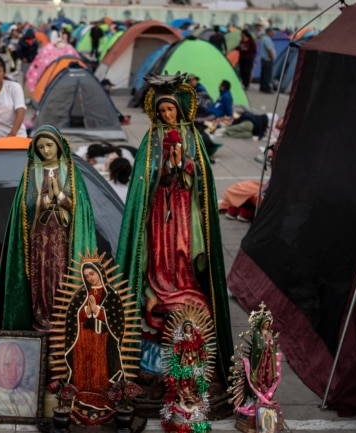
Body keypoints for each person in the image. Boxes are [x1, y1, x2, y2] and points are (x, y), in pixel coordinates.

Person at [115, 72, 233, 411]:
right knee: (160, 256)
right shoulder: (151, 140)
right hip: (159, 213)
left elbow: (202, 180)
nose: (168, 115)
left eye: (171, 110)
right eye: (163, 110)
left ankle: (183, 288)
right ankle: (160, 289)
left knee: (183, 255)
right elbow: (144, 183)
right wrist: (163, 170)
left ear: (180, 110)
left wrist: (186, 166)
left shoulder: (192, 136)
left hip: (185, 212)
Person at [0, 125, 97, 332]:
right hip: (39, 237)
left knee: (61, 276)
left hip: (64, 238)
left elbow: (80, 207)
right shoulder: (31, 173)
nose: (46, 151)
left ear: (58, 145)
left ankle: (63, 319)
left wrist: (59, 196)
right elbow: (25, 206)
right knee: (40, 277)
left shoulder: (71, 172)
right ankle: (41, 318)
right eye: (41, 147)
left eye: (50, 145)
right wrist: (44, 200)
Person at [64, 260, 125, 424]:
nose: (90, 278)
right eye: (86, 276)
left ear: (99, 273)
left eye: (92, 273)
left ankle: (103, 400)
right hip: (83, 339)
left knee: (99, 369)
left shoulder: (111, 294)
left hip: (101, 340)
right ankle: (80, 400)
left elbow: (117, 320)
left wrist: (98, 311)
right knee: (83, 368)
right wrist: (86, 310)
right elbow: (72, 317)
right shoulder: (81, 294)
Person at [259, 27, 276, 94]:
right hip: (267, 59)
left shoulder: (264, 38)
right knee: (267, 74)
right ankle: (266, 88)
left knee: (264, 73)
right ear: (268, 32)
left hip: (264, 59)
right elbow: (269, 49)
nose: (273, 33)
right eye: (272, 32)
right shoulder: (267, 39)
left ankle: (262, 87)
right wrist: (272, 57)